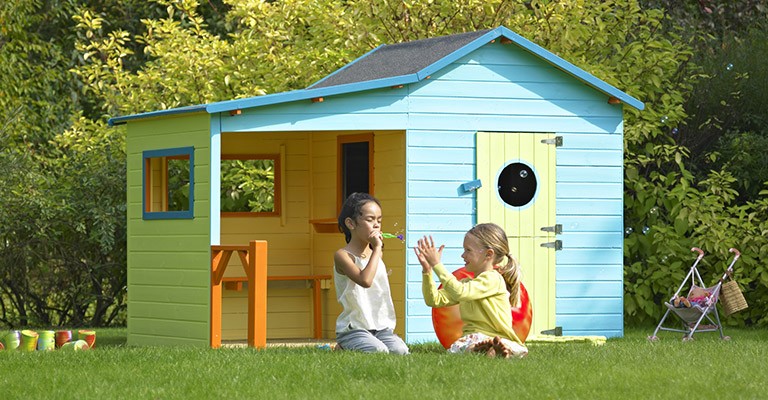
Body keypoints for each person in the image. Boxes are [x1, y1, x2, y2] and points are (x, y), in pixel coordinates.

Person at [415, 223, 528, 358]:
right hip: (475, 337)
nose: (463, 255)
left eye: (468, 250)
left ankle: (489, 348)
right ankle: (488, 350)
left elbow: (461, 292)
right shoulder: (467, 285)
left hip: (500, 337)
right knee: (469, 345)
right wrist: (427, 271)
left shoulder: (493, 279)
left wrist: (437, 265)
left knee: (470, 347)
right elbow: (433, 300)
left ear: (488, 254)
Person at [332, 192, 409, 355]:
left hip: (380, 327)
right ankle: (343, 345)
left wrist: (377, 250)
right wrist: (378, 248)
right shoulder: (343, 256)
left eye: (379, 220)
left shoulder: (376, 254)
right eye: (370, 219)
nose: (376, 225)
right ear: (351, 224)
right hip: (354, 328)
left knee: (401, 351)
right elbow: (364, 280)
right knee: (379, 351)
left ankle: (370, 341)